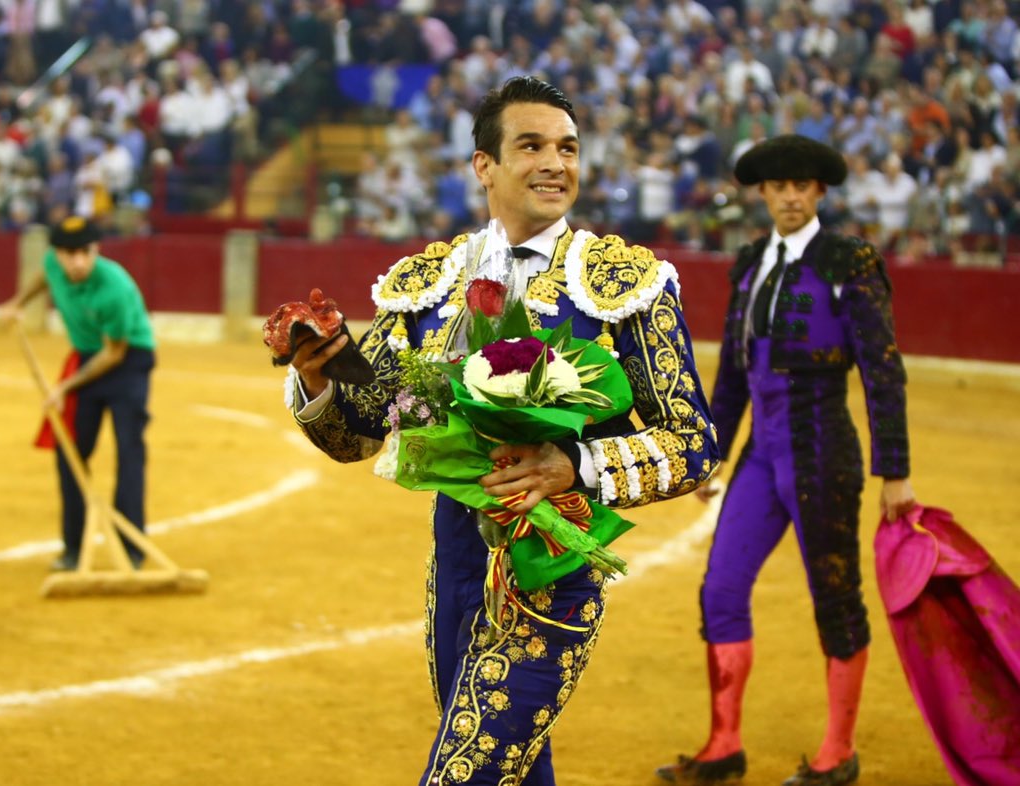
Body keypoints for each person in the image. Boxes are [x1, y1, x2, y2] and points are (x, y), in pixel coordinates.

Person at [281, 76, 720, 786]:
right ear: (483, 165)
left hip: (554, 569)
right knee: (512, 768)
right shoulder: (430, 281)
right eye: (533, 146)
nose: (556, 163)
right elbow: (359, 433)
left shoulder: (625, 283)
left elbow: (693, 443)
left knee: (468, 775)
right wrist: (322, 372)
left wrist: (573, 464)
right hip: (456, 566)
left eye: (568, 148)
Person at [655, 135, 915, 786]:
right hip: (762, 454)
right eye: (779, 186)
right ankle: (725, 745)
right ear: (763, 194)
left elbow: (882, 369)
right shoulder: (749, 264)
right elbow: (734, 376)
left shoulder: (848, 261)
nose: (791, 195)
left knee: (835, 597)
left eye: (803, 185)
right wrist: (708, 455)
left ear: (819, 192)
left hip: (823, 448)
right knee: (720, 589)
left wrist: (897, 470)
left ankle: (839, 752)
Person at [0, 216, 156, 570]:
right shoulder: (53, 263)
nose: (78, 261)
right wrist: (17, 301)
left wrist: (64, 387)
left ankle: (131, 549)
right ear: (58, 253)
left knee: (128, 450)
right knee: (71, 453)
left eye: (85, 252)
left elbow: (114, 353)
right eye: (70, 254)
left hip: (128, 359)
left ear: (96, 249)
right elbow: (44, 275)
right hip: (87, 357)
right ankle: (72, 549)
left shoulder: (114, 287)